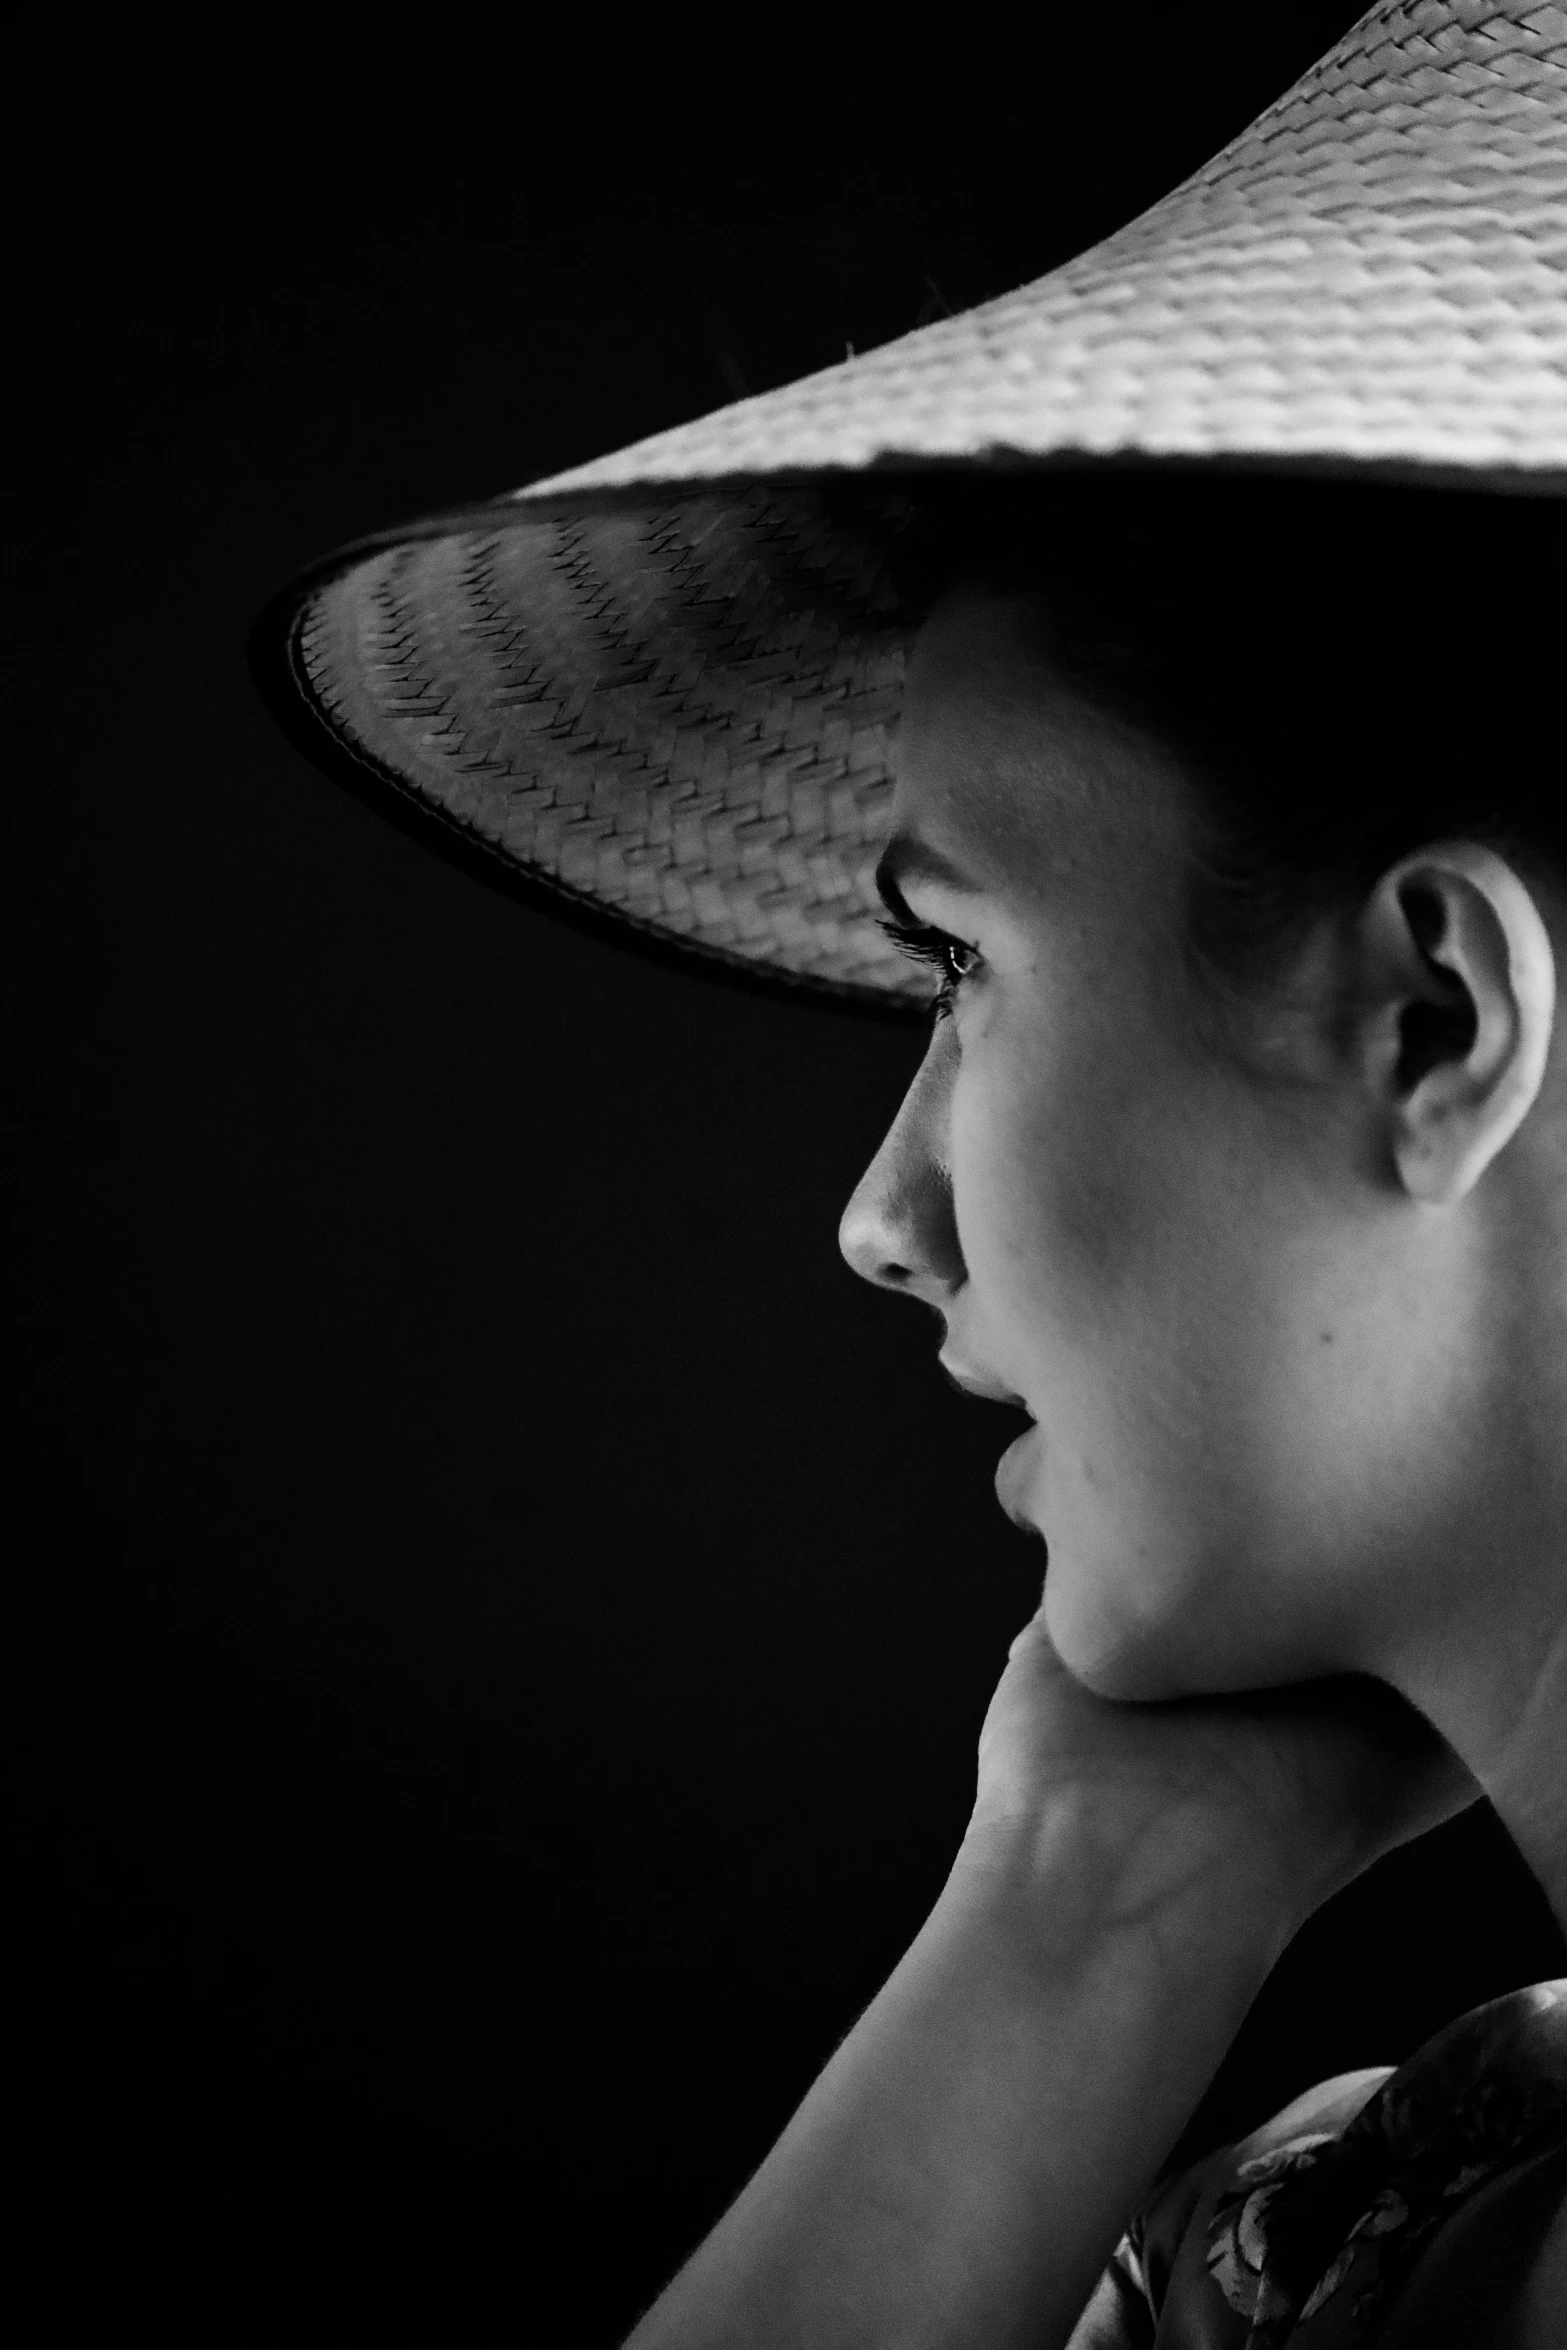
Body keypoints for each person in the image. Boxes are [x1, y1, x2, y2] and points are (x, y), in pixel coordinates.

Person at [254, 5, 1567, 2340]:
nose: (884, 1214)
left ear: (1440, 1019)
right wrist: (1091, 1893)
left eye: (956, 962)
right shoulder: (1392, 2224)